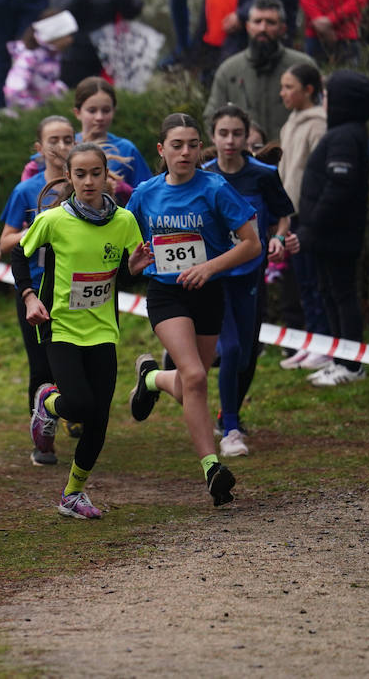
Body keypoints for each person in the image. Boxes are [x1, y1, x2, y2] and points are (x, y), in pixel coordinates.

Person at [125, 113, 259, 506]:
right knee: (197, 376)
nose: (186, 152)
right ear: (161, 150)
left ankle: (152, 380)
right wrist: (129, 266)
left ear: (202, 148)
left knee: (189, 385)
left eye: (193, 145)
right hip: (166, 295)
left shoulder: (215, 188)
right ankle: (212, 468)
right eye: (177, 145)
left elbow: (251, 243)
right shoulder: (145, 194)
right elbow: (125, 245)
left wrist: (209, 267)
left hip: (208, 292)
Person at [16, 144, 151, 518]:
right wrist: (29, 296)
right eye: (81, 174)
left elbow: (119, 274)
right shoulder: (54, 220)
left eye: (96, 173)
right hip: (61, 327)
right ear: (70, 177)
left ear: (107, 175)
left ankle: (73, 493)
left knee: (99, 418)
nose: (89, 181)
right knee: (77, 405)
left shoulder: (124, 221)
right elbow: (19, 254)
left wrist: (134, 268)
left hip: (103, 330)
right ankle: (47, 403)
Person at [204, 106, 295, 456]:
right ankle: (230, 429)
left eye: (236, 134)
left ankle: (227, 411)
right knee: (231, 350)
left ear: (246, 137)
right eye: (223, 133)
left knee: (243, 356)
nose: (229, 141)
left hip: (250, 272)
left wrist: (278, 238)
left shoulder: (263, 174)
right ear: (213, 137)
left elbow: (283, 216)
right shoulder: (203, 175)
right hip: (214, 273)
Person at [0, 115, 76, 463]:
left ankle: (76, 412)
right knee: (41, 364)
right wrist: (38, 230)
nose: (62, 146)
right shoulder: (26, 191)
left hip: (76, 287)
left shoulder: (85, 187)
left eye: (68, 139)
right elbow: (6, 241)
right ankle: (43, 437)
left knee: (79, 357)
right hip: (34, 287)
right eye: (54, 140)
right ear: (38, 148)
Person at [297, 70, 369, 387]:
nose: (325, 100)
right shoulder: (345, 132)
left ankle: (351, 364)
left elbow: (339, 185)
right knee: (329, 293)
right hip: (328, 234)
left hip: (336, 233)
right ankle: (338, 357)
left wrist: (313, 225)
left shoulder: (345, 136)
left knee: (342, 295)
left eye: (329, 94)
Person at [274, 62, 331, 367]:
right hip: (291, 212)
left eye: (289, 87)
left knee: (315, 280)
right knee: (302, 282)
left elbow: (316, 171)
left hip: (309, 213)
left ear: (308, 90)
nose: (283, 92)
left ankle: (325, 342)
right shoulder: (291, 122)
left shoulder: (318, 124)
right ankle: (311, 340)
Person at [204, 0, 316, 140]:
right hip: (246, 158)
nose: (263, 28)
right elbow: (212, 118)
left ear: (282, 28)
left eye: (270, 22)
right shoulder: (229, 70)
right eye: (258, 22)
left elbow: (319, 112)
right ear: (248, 26)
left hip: (292, 155)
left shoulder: (303, 66)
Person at [70, 77, 153, 198]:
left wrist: (125, 190)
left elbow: (148, 194)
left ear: (114, 111)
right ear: (77, 113)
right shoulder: (68, 146)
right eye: (92, 110)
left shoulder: (126, 149)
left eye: (106, 110)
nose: (99, 117)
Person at [3, 12, 72, 109]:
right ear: (55, 34)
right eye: (67, 35)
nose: (70, 40)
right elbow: (14, 89)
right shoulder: (30, 57)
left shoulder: (52, 55)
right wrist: (35, 107)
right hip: (30, 115)